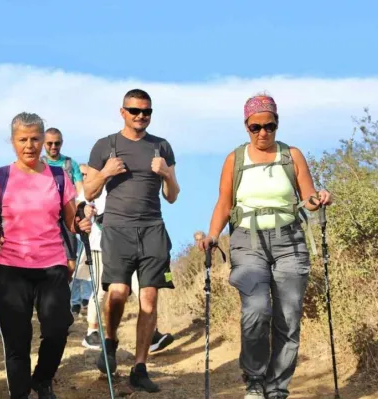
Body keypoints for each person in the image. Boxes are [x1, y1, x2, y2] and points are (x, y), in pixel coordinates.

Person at [198, 93, 333, 399]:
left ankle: (277, 388)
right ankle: (255, 379)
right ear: (246, 126)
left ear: (277, 124)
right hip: (248, 240)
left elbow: (308, 198)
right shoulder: (236, 159)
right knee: (257, 309)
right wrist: (213, 235)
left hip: (290, 240)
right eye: (255, 127)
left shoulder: (292, 155)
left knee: (288, 316)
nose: (262, 133)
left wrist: (320, 198)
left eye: (269, 126)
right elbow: (224, 202)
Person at [0, 112, 92, 399]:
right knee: (17, 341)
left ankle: (42, 379)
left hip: (51, 265)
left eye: (35, 139)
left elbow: (70, 222)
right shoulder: (0, 176)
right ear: (13, 141)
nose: (29, 145)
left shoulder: (58, 175)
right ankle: (19, 394)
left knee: (57, 327)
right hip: (11, 267)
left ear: (43, 140)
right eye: (22, 139)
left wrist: (81, 223)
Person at [84, 88, 180, 393]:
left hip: (152, 228)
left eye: (146, 112)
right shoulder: (105, 145)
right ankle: (109, 342)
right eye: (135, 110)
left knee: (149, 298)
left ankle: (140, 367)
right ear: (122, 111)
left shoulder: (161, 146)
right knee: (118, 293)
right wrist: (105, 173)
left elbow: (173, 196)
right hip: (116, 228)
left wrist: (167, 174)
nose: (141, 116)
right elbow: (89, 193)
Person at [78, 166, 175, 354]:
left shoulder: (131, 181)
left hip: (134, 241)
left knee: (143, 288)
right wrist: (86, 212)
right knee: (101, 289)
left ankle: (152, 334)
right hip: (101, 242)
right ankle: (93, 332)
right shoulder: (99, 176)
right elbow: (82, 202)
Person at [41, 127, 85, 292]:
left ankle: (61, 291)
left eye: (57, 143)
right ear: (44, 144)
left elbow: (81, 190)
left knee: (70, 265)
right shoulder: (39, 164)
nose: (53, 147)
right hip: (45, 219)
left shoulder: (70, 164)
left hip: (67, 218)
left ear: (62, 143)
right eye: (49, 143)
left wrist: (82, 206)